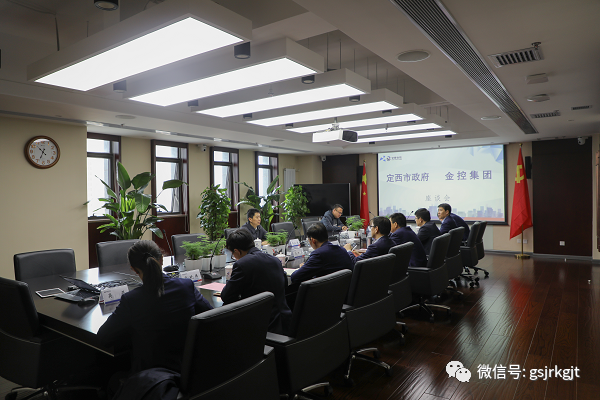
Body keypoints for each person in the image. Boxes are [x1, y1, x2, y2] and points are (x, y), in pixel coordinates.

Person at [97, 240, 213, 374]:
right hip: (189, 372)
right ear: (162, 260)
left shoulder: (131, 300)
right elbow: (211, 316)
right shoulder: (186, 286)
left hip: (152, 378)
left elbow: (103, 338)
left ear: (133, 269)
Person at [221, 229, 292, 334]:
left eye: (233, 254)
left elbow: (226, 296)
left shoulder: (242, 264)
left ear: (237, 251)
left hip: (262, 327)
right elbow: (284, 285)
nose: (234, 257)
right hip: (285, 321)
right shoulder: (275, 260)